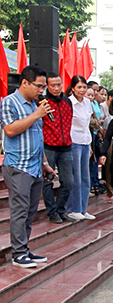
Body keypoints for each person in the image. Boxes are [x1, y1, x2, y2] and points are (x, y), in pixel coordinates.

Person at [1, 65, 57, 267]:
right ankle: (18, 254)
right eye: (39, 86)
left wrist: (44, 163)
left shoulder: (35, 104)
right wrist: (36, 115)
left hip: (34, 166)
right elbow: (10, 130)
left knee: (31, 210)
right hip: (18, 166)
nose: (41, 91)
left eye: (43, 87)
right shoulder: (9, 103)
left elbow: (37, 136)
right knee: (20, 210)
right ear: (25, 82)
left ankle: (24, 249)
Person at [40, 72, 75, 224]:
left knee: (68, 182)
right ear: (47, 86)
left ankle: (61, 209)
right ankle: (52, 211)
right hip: (48, 146)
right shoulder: (43, 102)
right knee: (48, 181)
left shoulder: (67, 102)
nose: (56, 88)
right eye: (52, 85)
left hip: (66, 146)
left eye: (58, 84)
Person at [65, 75, 95, 220]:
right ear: (72, 88)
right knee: (75, 177)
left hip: (85, 142)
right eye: (79, 87)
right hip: (73, 142)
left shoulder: (88, 103)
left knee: (85, 177)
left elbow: (87, 125)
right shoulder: (68, 103)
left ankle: (83, 208)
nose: (82, 90)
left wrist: (89, 145)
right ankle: (73, 208)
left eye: (84, 87)